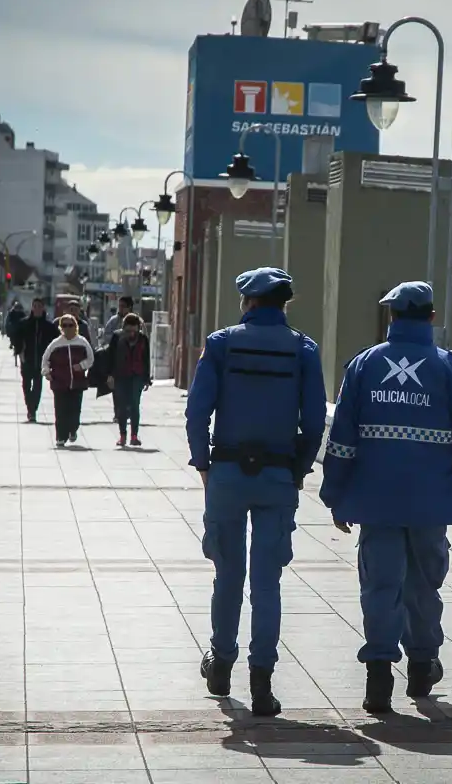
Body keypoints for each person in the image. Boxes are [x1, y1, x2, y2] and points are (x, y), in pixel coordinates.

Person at [319, 281, 452, 714]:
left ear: (392, 316)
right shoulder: (451, 369)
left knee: (380, 585)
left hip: (376, 501)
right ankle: (421, 667)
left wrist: (335, 494)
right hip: (430, 503)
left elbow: (341, 440)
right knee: (423, 586)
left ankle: (378, 678)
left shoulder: (364, 365)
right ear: (432, 317)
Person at [185, 266, 327, 717]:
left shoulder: (221, 343)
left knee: (227, 573)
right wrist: (298, 469)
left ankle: (221, 662)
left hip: (227, 473)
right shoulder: (304, 349)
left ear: (247, 302)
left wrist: (203, 464)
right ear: (284, 303)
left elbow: (196, 412)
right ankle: (262, 682)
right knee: (267, 583)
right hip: (277, 476)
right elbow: (314, 423)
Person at [43, 314, 95, 446]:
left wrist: (82, 366)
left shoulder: (82, 342)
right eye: (64, 325)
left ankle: (73, 429)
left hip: (77, 382)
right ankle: (61, 436)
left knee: (74, 410)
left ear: (75, 326)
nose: (67, 328)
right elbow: (45, 360)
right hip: (59, 382)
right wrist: (46, 372)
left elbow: (91, 358)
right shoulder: (55, 344)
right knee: (60, 410)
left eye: (70, 325)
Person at [106, 313, 152, 446]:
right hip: (120, 375)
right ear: (124, 327)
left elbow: (146, 359)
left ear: (138, 327)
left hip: (137, 375)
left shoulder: (143, 339)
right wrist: (110, 375)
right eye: (128, 329)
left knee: (134, 405)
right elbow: (111, 357)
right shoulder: (117, 337)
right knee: (121, 406)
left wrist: (147, 378)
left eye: (134, 329)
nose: (131, 332)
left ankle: (134, 436)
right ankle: (122, 436)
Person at [13, 298, 60, 423]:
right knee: (26, 385)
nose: (37, 309)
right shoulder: (24, 323)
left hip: (41, 360)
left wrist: (51, 358)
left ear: (43, 308)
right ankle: (30, 407)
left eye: (39, 306)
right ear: (32, 308)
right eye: (35, 306)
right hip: (27, 359)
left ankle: (33, 409)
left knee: (38, 385)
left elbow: (55, 342)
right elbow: (17, 339)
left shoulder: (49, 326)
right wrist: (20, 352)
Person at [5, 300, 26, 365]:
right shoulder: (11, 313)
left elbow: (25, 320)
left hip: (19, 331)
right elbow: (8, 322)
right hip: (14, 331)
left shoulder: (20, 313)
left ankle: (18, 357)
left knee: (19, 345)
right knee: (15, 342)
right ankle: (12, 344)